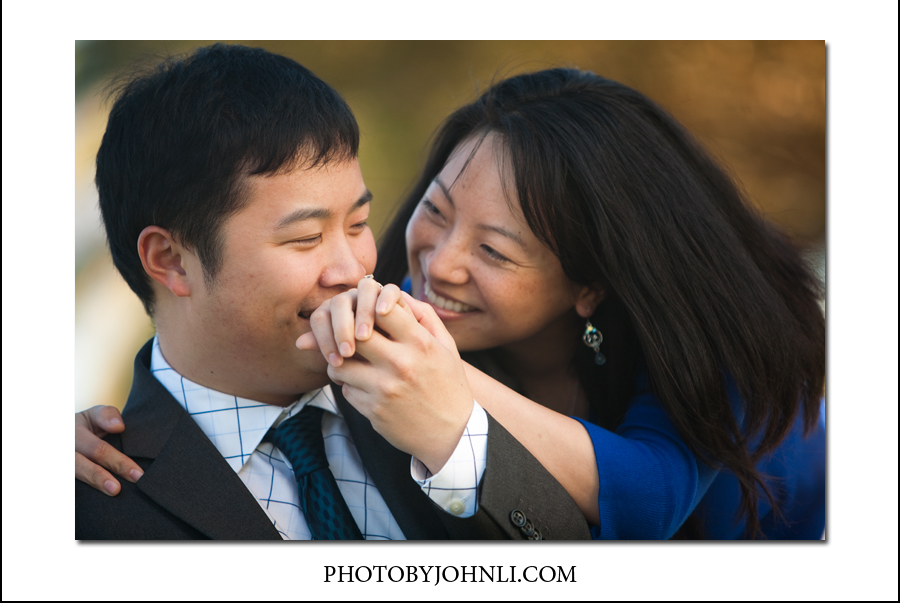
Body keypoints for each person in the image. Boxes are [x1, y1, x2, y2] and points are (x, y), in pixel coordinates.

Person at [78, 65, 826, 540]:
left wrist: (447, 402)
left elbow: (636, 508)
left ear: (590, 285)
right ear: (168, 260)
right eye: (431, 211)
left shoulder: (709, 356)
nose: (426, 266)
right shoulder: (85, 495)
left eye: (359, 224)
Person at [74, 43, 590, 540]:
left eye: (358, 223)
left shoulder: (443, 383)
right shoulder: (83, 509)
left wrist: (458, 445)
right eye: (305, 238)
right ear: (171, 260)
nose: (353, 270)